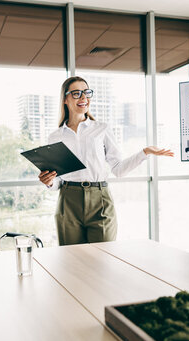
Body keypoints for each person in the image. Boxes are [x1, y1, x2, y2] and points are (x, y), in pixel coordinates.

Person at [38, 76, 173, 246]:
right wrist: (49, 181)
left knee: (104, 259)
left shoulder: (101, 129)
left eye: (86, 93)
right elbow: (57, 181)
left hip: (100, 200)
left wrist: (144, 152)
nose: (83, 98)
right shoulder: (55, 136)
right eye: (76, 93)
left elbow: (118, 169)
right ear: (65, 99)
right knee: (72, 261)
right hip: (68, 201)